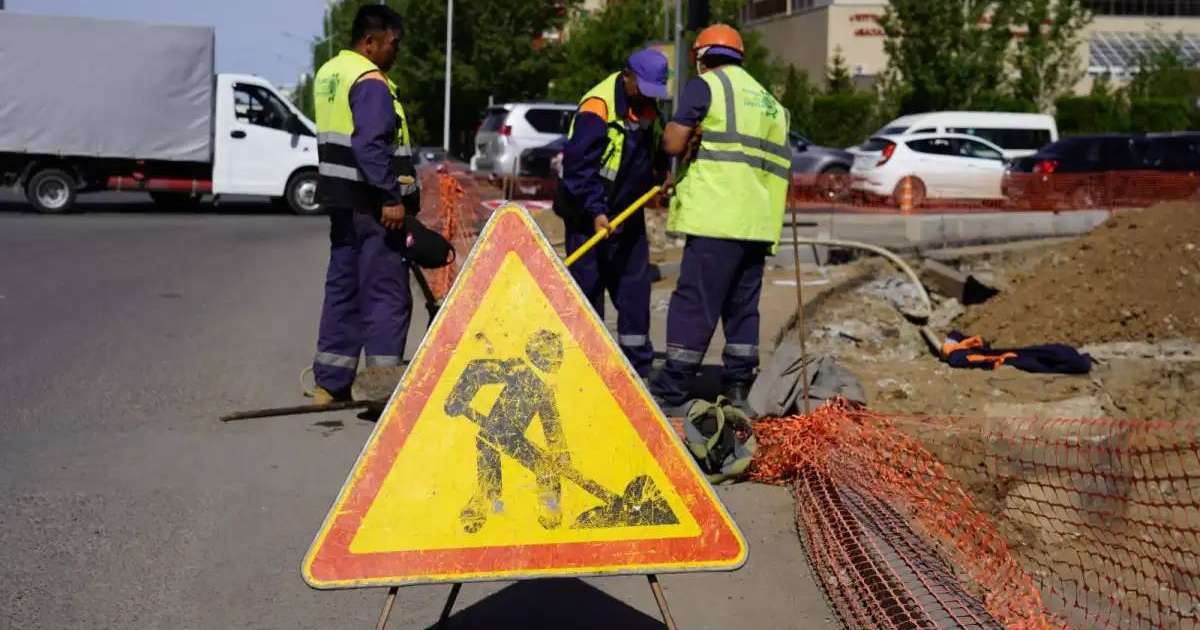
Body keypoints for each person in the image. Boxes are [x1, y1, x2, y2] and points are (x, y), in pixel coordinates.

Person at [649, 24, 791, 414]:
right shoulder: (770, 104)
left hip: (718, 217)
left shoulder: (707, 86)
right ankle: (739, 386)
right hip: (758, 224)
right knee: (742, 308)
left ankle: (672, 387)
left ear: (701, 58)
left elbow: (674, 142)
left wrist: (678, 143)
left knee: (695, 302)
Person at [310, 5, 420, 404]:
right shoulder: (370, 81)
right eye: (393, 43)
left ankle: (329, 384)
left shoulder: (330, 74)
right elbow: (370, 145)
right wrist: (391, 197)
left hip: (342, 202)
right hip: (375, 208)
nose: (396, 51)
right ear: (370, 42)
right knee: (385, 295)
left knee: (343, 288)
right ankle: (382, 391)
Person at [554, 48, 670, 378]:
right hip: (586, 214)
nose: (649, 98)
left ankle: (637, 369)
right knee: (588, 290)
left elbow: (649, 150)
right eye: (644, 88)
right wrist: (595, 212)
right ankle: (588, 367)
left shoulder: (646, 107)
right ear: (627, 76)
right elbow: (578, 170)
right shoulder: (597, 108)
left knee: (634, 289)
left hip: (626, 213)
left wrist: (660, 171)